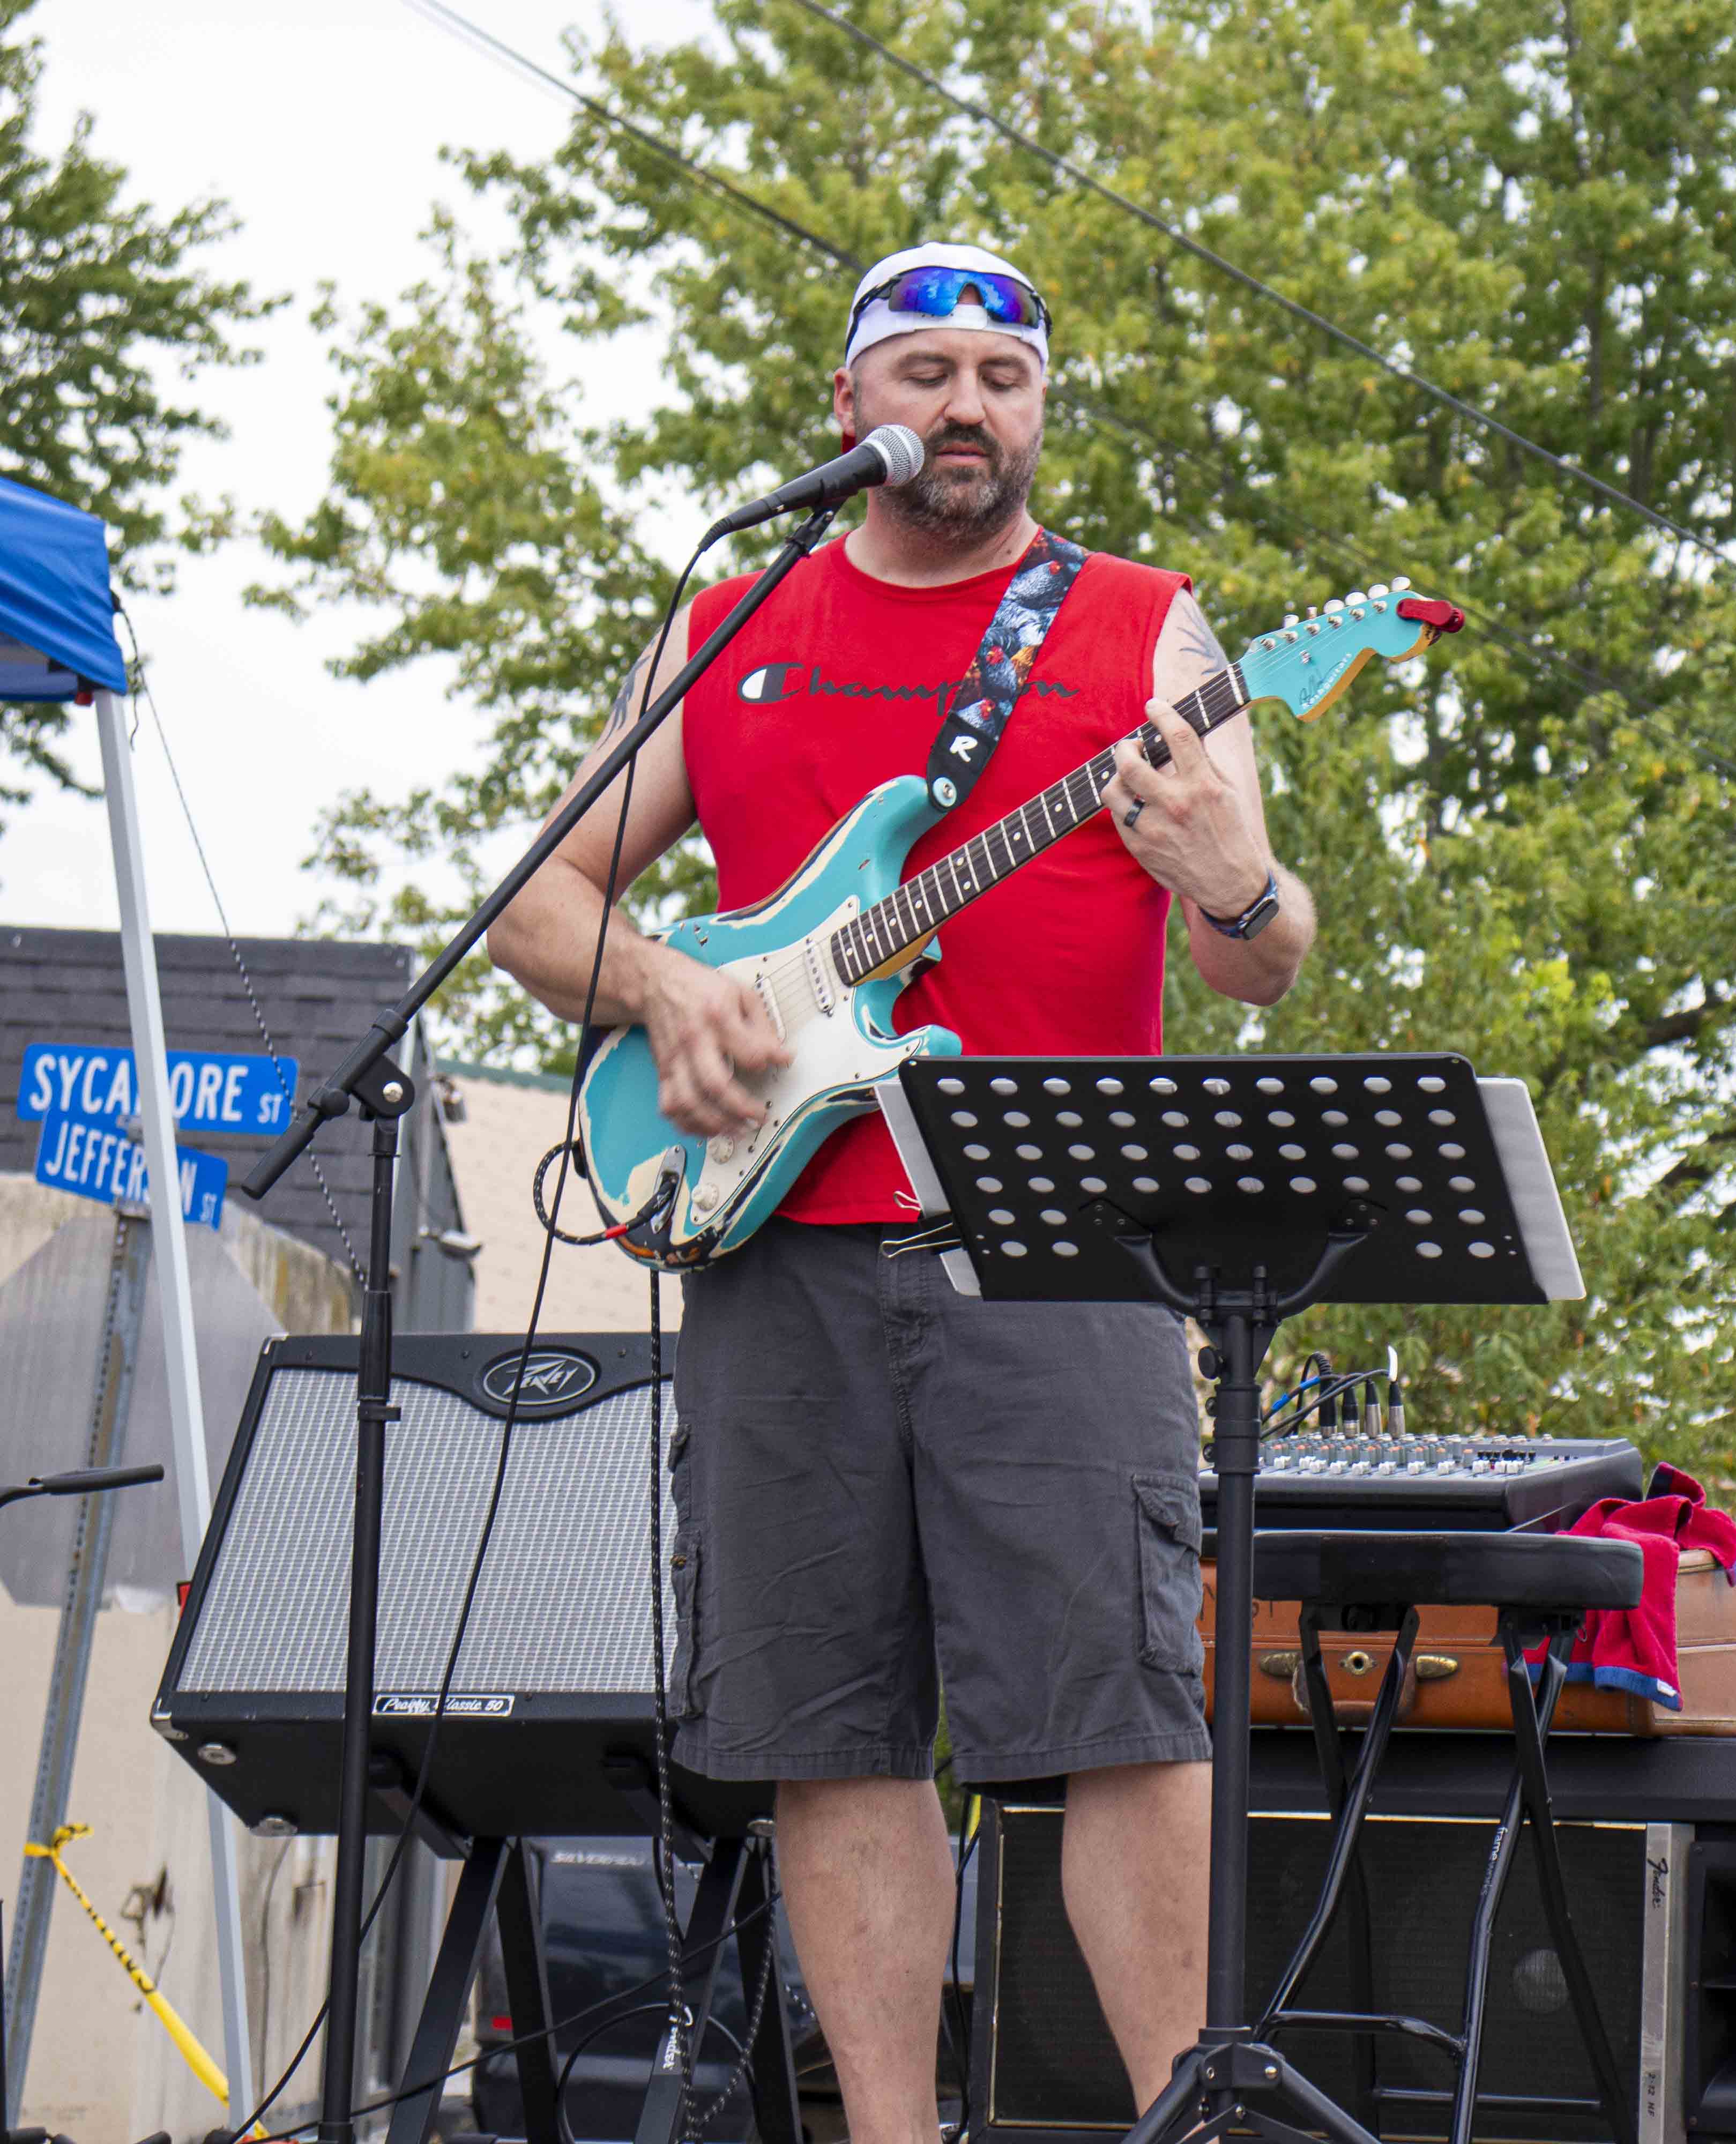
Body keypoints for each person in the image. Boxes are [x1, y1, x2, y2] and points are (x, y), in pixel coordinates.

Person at [487, 240, 1315, 2136]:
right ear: (850, 406)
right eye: (928, 370)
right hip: (779, 1242)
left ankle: (1181, 2113)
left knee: (1117, 1714)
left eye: (1005, 378)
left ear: (1039, 411)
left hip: (1062, 1241)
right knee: (825, 1730)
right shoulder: (735, 621)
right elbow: (535, 898)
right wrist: (671, 988)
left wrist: (1227, 875)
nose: (969, 407)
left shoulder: (1145, 627)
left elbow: (1268, 960)